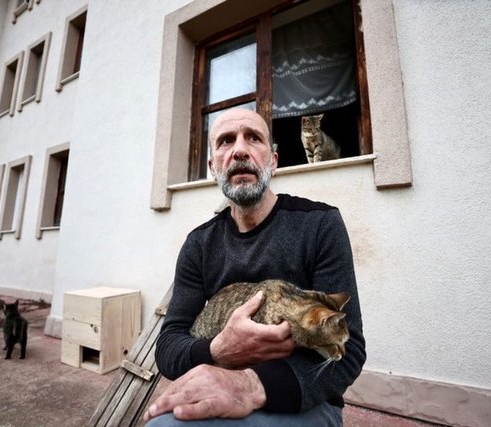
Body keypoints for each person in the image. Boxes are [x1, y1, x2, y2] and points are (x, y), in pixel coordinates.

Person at [144, 108, 365, 426]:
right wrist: (219, 349)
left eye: (253, 138)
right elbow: (168, 347)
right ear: (213, 167)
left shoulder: (320, 224)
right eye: (226, 141)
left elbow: (350, 351)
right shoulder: (198, 244)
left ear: (273, 161)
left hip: (301, 398)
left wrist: (248, 385)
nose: (239, 150)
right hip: (221, 384)